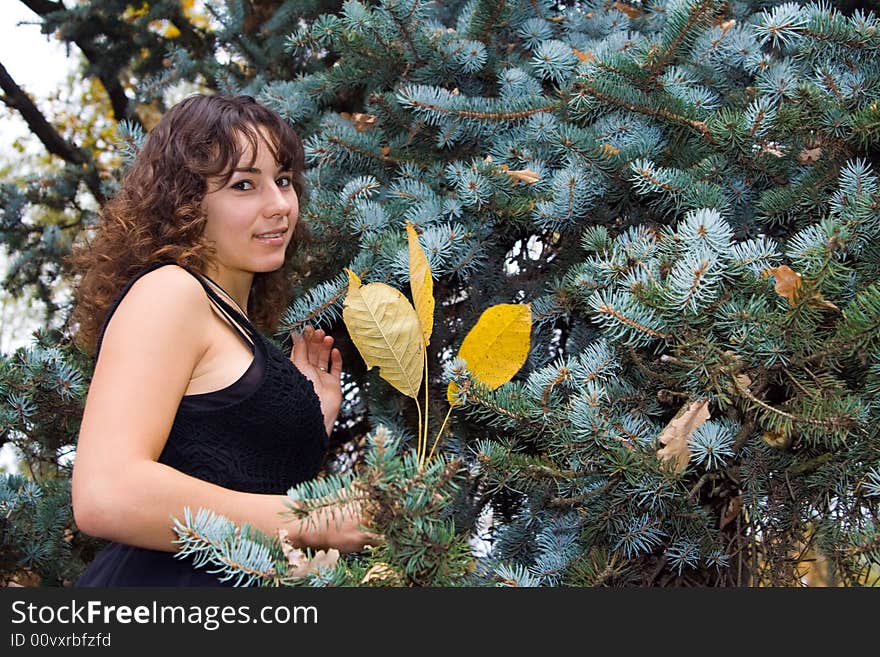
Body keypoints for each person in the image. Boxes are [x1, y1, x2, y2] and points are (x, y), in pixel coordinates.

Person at [70, 93, 372, 586]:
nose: (278, 205)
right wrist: (316, 518)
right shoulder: (170, 291)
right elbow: (106, 493)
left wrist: (304, 417)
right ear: (186, 202)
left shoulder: (233, 321)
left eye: (283, 181)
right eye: (243, 185)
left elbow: (232, 481)